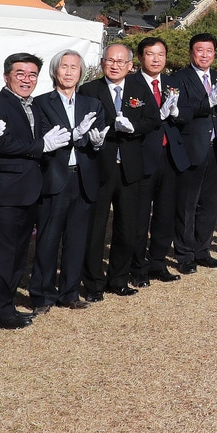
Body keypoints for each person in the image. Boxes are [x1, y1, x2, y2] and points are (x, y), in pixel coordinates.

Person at [0, 53, 69, 326]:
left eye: (32, 75)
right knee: (2, 254)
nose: (26, 80)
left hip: (30, 189)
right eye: (20, 74)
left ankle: (7, 306)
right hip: (5, 191)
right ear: (6, 76)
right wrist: (41, 146)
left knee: (19, 252)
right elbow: (1, 143)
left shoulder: (34, 105)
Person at [78, 43, 159, 300]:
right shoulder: (89, 90)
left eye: (120, 61)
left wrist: (133, 128)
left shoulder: (139, 88)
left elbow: (153, 119)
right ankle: (93, 283)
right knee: (95, 228)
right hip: (100, 166)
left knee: (128, 226)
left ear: (130, 66)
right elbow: (86, 123)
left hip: (130, 167)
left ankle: (119, 278)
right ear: (103, 62)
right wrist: (111, 129)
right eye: (110, 60)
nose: (115, 66)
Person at [32, 50, 108, 311]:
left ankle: (69, 293)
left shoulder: (92, 104)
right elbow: (43, 136)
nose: (68, 72)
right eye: (64, 66)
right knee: (48, 238)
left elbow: (97, 136)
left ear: (81, 73)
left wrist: (96, 143)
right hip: (54, 176)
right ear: (55, 70)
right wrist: (74, 134)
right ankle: (42, 295)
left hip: (83, 177)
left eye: (74, 67)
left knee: (77, 239)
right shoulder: (41, 103)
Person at [165, 33, 217, 264]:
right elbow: (180, 113)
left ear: (214, 53)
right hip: (191, 148)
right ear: (191, 53)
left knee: (210, 204)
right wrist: (208, 104)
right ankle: (185, 254)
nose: (204, 55)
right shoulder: (178, 79)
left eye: (209, 51)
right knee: (187, 204)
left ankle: (203, 251)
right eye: (200, 50)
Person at [133, 37, 182, 281]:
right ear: (140, 57)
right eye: (150, 54)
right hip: (142, 156)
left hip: (169, 155)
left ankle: (158, 262)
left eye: (160, 54)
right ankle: (137, 265)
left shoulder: (173, 83)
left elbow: (187, 114)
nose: (156, 59)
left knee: (165, 212)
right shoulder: (131, 84)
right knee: (139, 215)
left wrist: (177, 112)